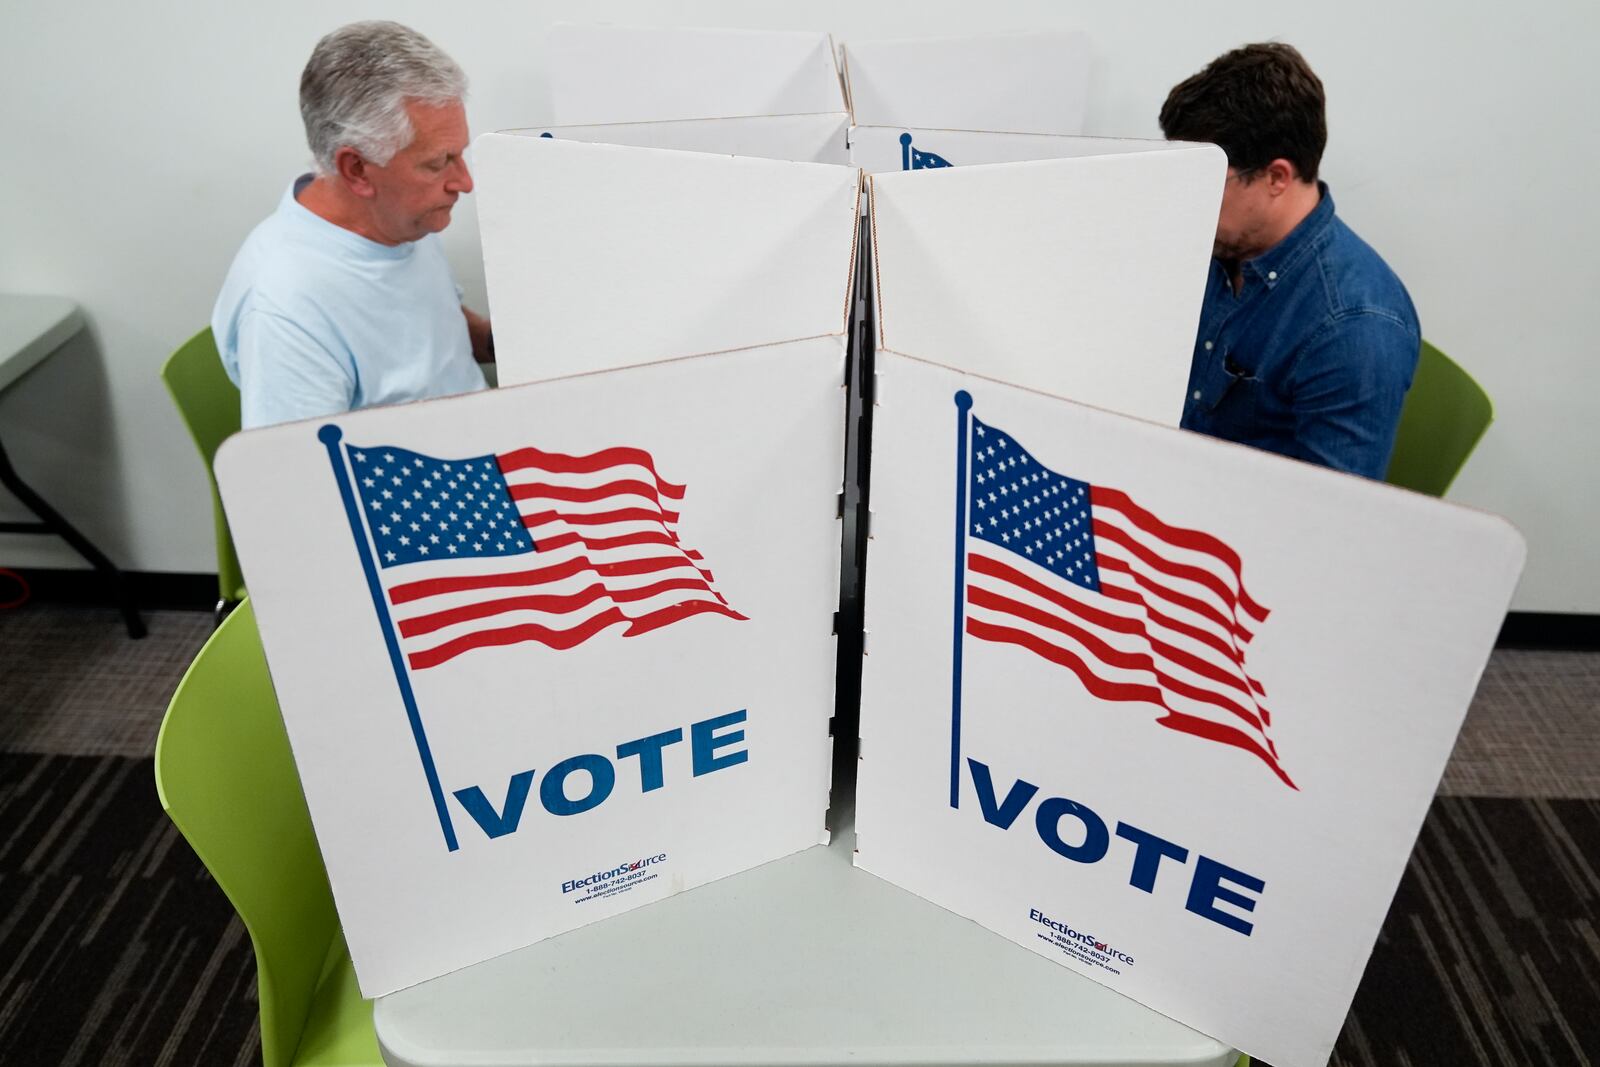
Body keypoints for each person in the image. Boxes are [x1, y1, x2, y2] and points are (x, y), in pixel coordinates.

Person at [213, 21, 491, 430]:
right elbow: (301, 483)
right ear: (357, 168)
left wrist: (511, 341)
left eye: (459, 155)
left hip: (483, 435)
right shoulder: (287, 309)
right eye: (437, 163)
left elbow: (433, 330)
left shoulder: (399, 217)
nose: (464, 182)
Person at [1159, 43, 1419, 479]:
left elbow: (1331, 519)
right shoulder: (1224, 242)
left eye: (1206, 182)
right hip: (1173, 476)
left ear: (1277, 177)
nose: (1187, 203)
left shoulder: (1352, 329)